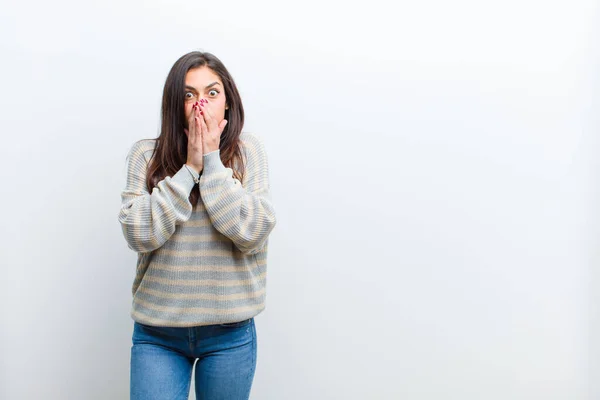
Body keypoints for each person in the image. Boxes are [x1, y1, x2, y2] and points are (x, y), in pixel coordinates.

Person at [118, 51, 277, 400]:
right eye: (189, 95)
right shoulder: (146, 155)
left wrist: (211, 163)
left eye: (211, 93)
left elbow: (252, 230)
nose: (200, 105)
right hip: (158, 334)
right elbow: (138, 234)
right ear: (175, 106)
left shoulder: (248, 152)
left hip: (229, 335)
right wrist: (189, 169)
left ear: (228, 103)